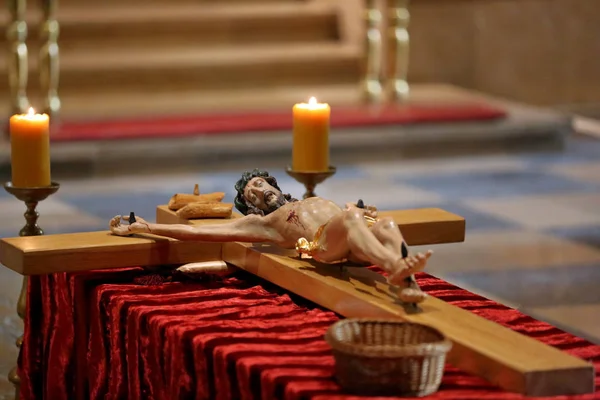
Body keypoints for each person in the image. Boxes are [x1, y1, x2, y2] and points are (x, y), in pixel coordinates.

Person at [110, 169, 432, 303]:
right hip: (322, 245)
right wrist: (147, 228)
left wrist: (363, 213)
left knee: (387, 224)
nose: (258, 191)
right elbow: (201, 232)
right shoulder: (264, 223)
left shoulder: (308, 200)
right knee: (350, 218)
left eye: (260, 184)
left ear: (273, 184)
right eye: (251, 194)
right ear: (250, 207)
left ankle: (408, 285)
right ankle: (395, 268)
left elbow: (355, 217)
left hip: (348, 231)